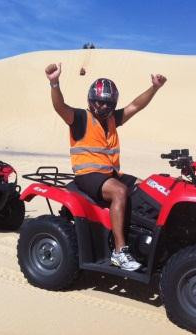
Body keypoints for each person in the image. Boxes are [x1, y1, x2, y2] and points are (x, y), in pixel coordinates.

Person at [45, 63, 166, 271]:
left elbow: (135, 106)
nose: (102, 107)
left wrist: (154, 88)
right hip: (87, 174)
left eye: (107, 104)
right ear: (91, 101)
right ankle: (119, 252)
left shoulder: (112, 119)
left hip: (110, 174)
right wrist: (54, 83)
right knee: (120, 191)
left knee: (149, 186)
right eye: (99, 102)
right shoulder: (80, 117)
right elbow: (60, 107)